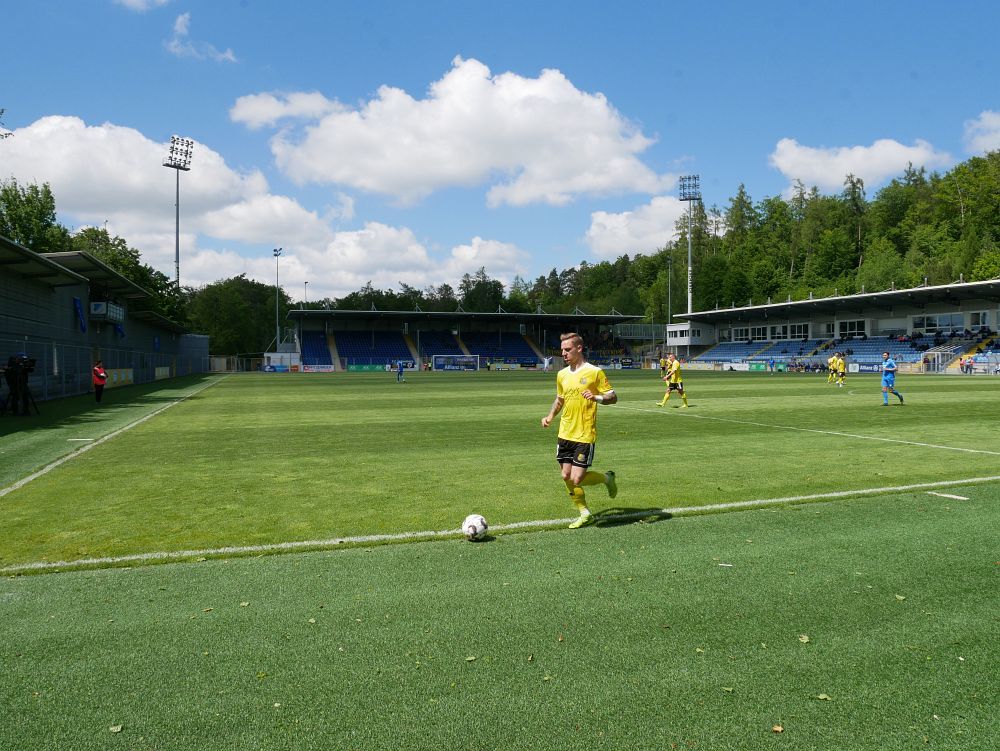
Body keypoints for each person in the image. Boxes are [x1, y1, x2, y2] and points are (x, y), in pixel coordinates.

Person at [541, 332, 618, 529]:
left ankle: (607, 478)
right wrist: (550, 416)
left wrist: (597, 398)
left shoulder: (595, 372)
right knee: (566, 477)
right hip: (564, 432)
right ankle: (584, 513)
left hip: (584, 433)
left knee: (577, 478)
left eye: (567, 350)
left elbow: (613, 396)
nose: (564, 354)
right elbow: (560, 399)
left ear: (579, 348)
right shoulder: (562, 374)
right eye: (562, 350)